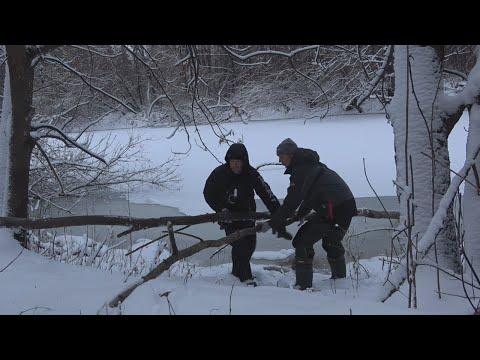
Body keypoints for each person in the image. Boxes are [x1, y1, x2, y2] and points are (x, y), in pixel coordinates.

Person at [260, 138, 357, 290]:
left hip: (333, 209)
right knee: (332, 241)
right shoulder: (311, 166)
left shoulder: (301, 170)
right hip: (346, 205)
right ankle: (339, 281)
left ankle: (303, 287)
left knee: (302, 242)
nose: (279, 160)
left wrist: (272, 223)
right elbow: (312, 195)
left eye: (281, 156)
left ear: (290, 154)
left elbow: (292, 201)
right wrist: (301, 214)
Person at [203, 143, 291, 286]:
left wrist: (278, 212)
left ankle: (237, 275)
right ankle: (246, 279)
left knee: (249, 246)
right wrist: (220, 209)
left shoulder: (251, 174)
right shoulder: (220, 173)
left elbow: (265, 192)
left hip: (248, 217)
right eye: (233, 162)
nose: (236, 165)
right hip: (229, 219)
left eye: (239, 162)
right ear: (228, 161)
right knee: (240, 246)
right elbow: (208, 193)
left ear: (244, 162)